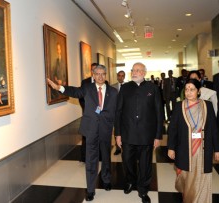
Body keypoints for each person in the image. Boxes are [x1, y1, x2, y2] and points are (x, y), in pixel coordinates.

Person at [47, 65, 118, 201]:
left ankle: (106, 179)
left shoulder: (113, 92)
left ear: (106, 75)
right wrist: (59, 88)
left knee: (105, 156)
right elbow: (75, 92)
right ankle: (90, 189)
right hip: (90, 129)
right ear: (93, 74)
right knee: (91, 159)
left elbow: (117, 111)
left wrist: (118, 131)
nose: (100, 76)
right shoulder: (87, 88)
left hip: (106, 129)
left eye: (103, 74)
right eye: (97, 74)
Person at [115, 62, 163, 203]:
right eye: (133, 70)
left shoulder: (153, 88)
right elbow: (118, 112)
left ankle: (143, 189)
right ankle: (130, 181)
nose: (134, 72)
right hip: (127, 133)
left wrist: (158, 136)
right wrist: (118, 134)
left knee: (145, 164)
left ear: (144, 73)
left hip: (146, 134)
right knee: (128, 161)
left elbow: (159, 113)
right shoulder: (125, 88)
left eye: (138, 70)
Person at [168, 79, 219, 203]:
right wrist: (171, 147)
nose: (188, 92)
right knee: (187, 182)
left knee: (203, 179)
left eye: (192, 89)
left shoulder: (207, 105)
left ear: (198, 91)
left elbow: (214, 128)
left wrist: (217, 149)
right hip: (185, 150)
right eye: (186, 89)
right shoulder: (179, 106)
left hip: (203, 150)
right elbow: (173, 129)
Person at [78, 63, 98, 163]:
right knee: (86, 136)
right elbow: (80, 98)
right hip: (88, 114)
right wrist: (87, 110)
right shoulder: (85, 82)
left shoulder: (104, 82)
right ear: (91, 71)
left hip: (99, 115)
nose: (95, 71)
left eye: (96, 69)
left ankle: (99, 156)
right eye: (93, 69)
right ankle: (84, 157)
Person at [112, 70, 125, 155]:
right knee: (116, 131)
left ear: (124, 77)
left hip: (125, 113)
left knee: (125, 130)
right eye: (119, 75)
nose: (120, 77)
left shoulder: (128, 86)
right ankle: (118, 148)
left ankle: (125, 147)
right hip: (115, 113)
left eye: (122, 76)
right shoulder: (112, 87)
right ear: (117, 76)